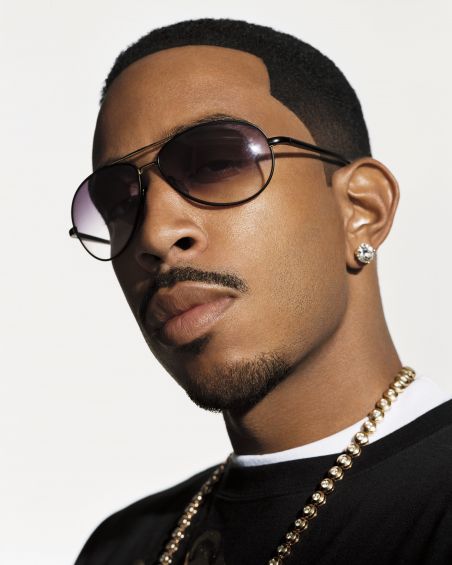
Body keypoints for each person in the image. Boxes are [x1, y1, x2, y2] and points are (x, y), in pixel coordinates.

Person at [70, 18, 452, 565]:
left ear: (361, 211)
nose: (154, 234)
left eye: (217, 162)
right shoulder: (121, 547)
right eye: (119, 202)